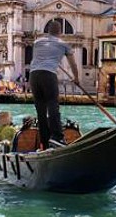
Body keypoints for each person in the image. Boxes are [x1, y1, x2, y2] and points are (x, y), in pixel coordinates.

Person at [29, 20, 79, 149]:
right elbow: (73, 64)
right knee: (52, 105)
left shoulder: (37, 42)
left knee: (40, 108)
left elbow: (40, 57)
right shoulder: (63, 44)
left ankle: (45, 142)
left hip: (33, 75)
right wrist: (76, 78)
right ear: (60, 32)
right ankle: (57, 137)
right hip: (48, 74)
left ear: (48, 31)